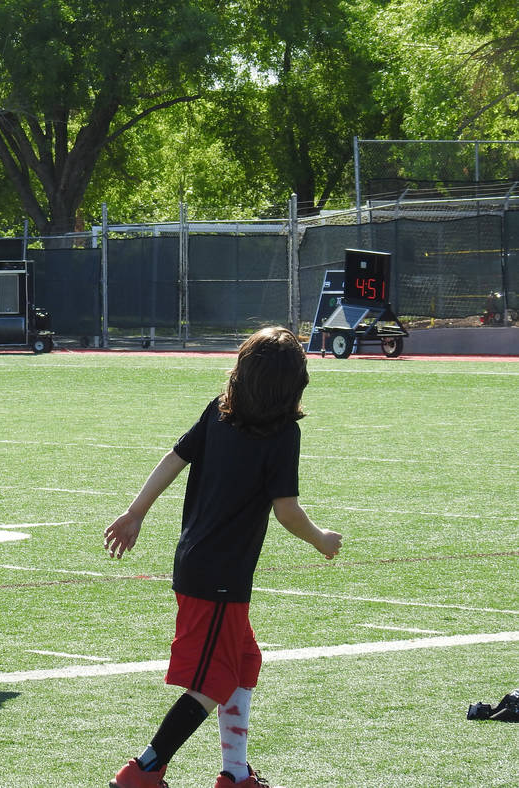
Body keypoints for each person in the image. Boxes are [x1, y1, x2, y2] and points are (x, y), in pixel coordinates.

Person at [103, 326, 343, 788]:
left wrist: (136, 512)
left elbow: (175, 458)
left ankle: (235, 774)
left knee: (244, 662)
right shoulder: (282, 433)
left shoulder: (219, 411)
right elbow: (287, 510)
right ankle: (144, 769)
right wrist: (319, 539)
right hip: (219, 577)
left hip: (199, 564)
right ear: (294, 384)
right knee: (213, 681)